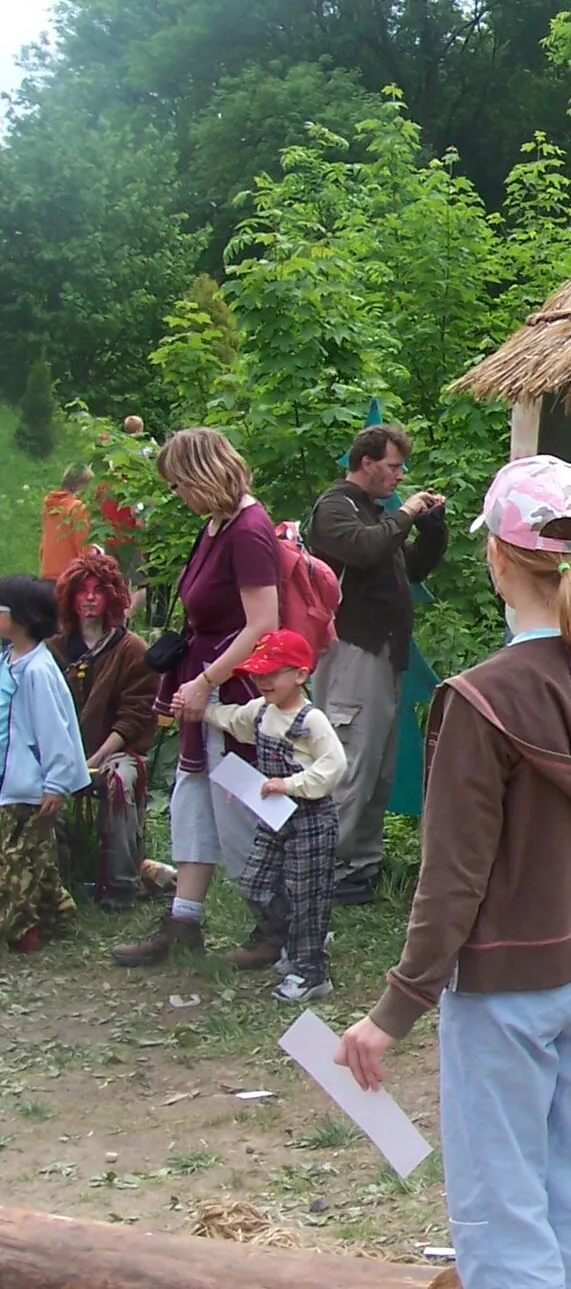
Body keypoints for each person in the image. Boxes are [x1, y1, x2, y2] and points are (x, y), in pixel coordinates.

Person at [334, 455, 571, 1289]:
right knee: (567, 1194)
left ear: (495, 558)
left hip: (511, 983)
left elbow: (452, 877)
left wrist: (391, 1010)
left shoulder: (480, 697)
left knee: (500, 1212)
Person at [111, 428, 280, 969]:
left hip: (232, 695)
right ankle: (184, 918)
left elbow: (263, 625)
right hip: (202, 687)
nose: (178, 494)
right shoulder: (216, 526)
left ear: (204, 475)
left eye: (180, 483)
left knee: (241, 806)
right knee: (193, 800)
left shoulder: (249, 531)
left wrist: (206, 681)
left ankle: (279, 923)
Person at [305, 423, 448, 905]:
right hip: (350, 650)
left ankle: (358, 865)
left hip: (384, 654)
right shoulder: (334, 508)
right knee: (347, 761)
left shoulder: (372, 513)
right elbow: (364, 550)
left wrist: (430, 528)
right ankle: (322, 868)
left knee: (379, 765)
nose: (399, 476)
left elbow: (409, 566)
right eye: (392, 466)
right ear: (365, 463)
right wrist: (404, 514)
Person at [203, 629, 347, 1002]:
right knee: (255, 882)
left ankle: (311, 972)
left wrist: (292, 784)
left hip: (310, 820)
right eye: (258, 674)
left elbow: (334, 766)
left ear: (300, 674)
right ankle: (295, 941)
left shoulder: (311, 721)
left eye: (272, 673)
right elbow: (232, 720)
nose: (263, 681)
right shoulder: (261, 712)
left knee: (308, 895)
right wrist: (200, 708)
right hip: (274, 818)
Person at [52, 550, 155, 910]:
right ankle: (56, 884)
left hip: (114, 752)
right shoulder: (53, 649)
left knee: (120, 782)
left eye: (99, 589)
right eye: (83, 590)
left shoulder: (131, 649)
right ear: (70, 597)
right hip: (60, 752)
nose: (91, 597)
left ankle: (121, 887)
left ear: (113, 595)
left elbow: (134, 716)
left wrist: (94, 759)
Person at [0, 575, 91, 952]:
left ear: (22, 617)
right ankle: (57, 912)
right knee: (35, 853)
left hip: (29, 785)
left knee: (13, 860)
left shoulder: (37, 670)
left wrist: (55, 782)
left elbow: (56, 728)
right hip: (10, 780)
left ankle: (21, 930)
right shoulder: (9, 661)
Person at [39, 466, 92, 583]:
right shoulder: (77, 508)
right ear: (81, 485)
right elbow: (83, 545)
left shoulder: (50, 504)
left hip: (47, 571)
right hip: (69, 575)